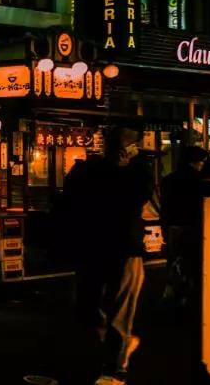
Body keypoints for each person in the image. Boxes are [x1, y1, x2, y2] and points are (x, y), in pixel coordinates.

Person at [63, 125, 154, 385]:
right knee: (87, 306)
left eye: (126, 144)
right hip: (93, 245)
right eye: (115, 144)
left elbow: (138, 197)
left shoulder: (138, 171)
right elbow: (69, 199)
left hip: (126, 247)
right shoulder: (86, 169)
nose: (120, 150)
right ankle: (118, 345)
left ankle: (115, 368)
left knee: (119, 309)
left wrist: (124, 170)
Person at [161, 145, 208, 308]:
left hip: (174, 227)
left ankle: (175, 296)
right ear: (196, 162)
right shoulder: (200, 181)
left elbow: (165, 209)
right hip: (194, 228)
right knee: (195, 265)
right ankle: (190, 299)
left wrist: (165, 230)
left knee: (176, 263)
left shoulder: (168, 180)